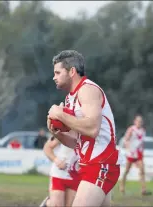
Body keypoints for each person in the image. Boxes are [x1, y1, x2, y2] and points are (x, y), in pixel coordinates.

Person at [47, 50, 121, 207]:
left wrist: (60, 115)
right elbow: (77, 143)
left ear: (72, 71)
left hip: (101, 163)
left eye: (58, 72)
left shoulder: (87, 90)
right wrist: (57, 133)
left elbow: (92, 129)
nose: (54, 77)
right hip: (88, 165)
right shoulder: (70, 98)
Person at [39, 136, 79, 207]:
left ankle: (50, 203)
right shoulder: (66, 131)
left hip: (76, 175)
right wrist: (56, 160)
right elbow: (47, 148)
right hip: (59, 174)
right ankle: (48, 203)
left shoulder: (89, 132)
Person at [119, 115, 152, 196]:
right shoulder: (131, 129)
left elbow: (141, 142)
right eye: (138, 121)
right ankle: (122, 186)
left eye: (141, 121)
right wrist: (129, 149)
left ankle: (143, 189)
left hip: (139, 153)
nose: (139, 123)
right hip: (131, 153)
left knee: (142, 170)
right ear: (135, 121)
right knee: (127, 170)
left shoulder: (143, 131)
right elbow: (126, 140)